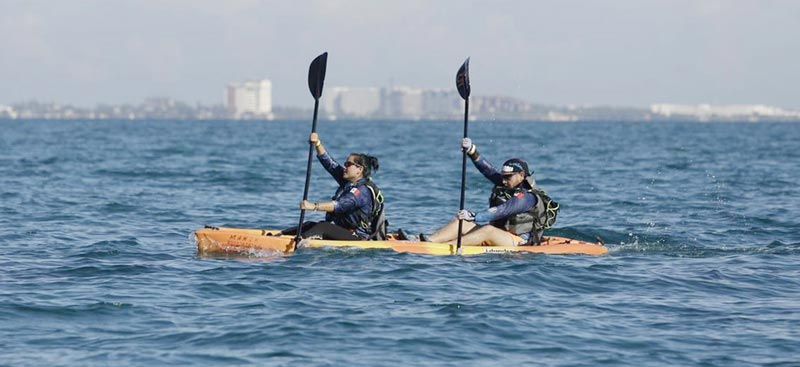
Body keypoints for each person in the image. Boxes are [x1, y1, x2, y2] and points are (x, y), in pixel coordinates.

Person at [421, 137, 558, 246]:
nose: (503, 180)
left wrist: (474, 216)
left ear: (522, 175)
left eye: (508, 177)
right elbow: (488, 171)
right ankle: (425, 241)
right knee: (461, 223)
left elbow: (504, 209)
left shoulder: (527, 197)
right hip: (500, 235)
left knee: (488, 230)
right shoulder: (507, 185)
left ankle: (445, 247)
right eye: (503, 176)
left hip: (520, 243)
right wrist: (472, 151)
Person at [281, 132, 386, 241]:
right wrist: (317, 143)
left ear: (360, 169)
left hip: (357, 237)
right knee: (308, 225)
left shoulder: (361, 191)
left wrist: (313, 206)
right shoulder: (348, 182)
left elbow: (339, 205)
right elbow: (330, 164)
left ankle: (295, 242)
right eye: (345, 164)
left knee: (323, 227)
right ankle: (278, 236)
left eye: (348, 164)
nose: (345, 167)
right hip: (341, 230)